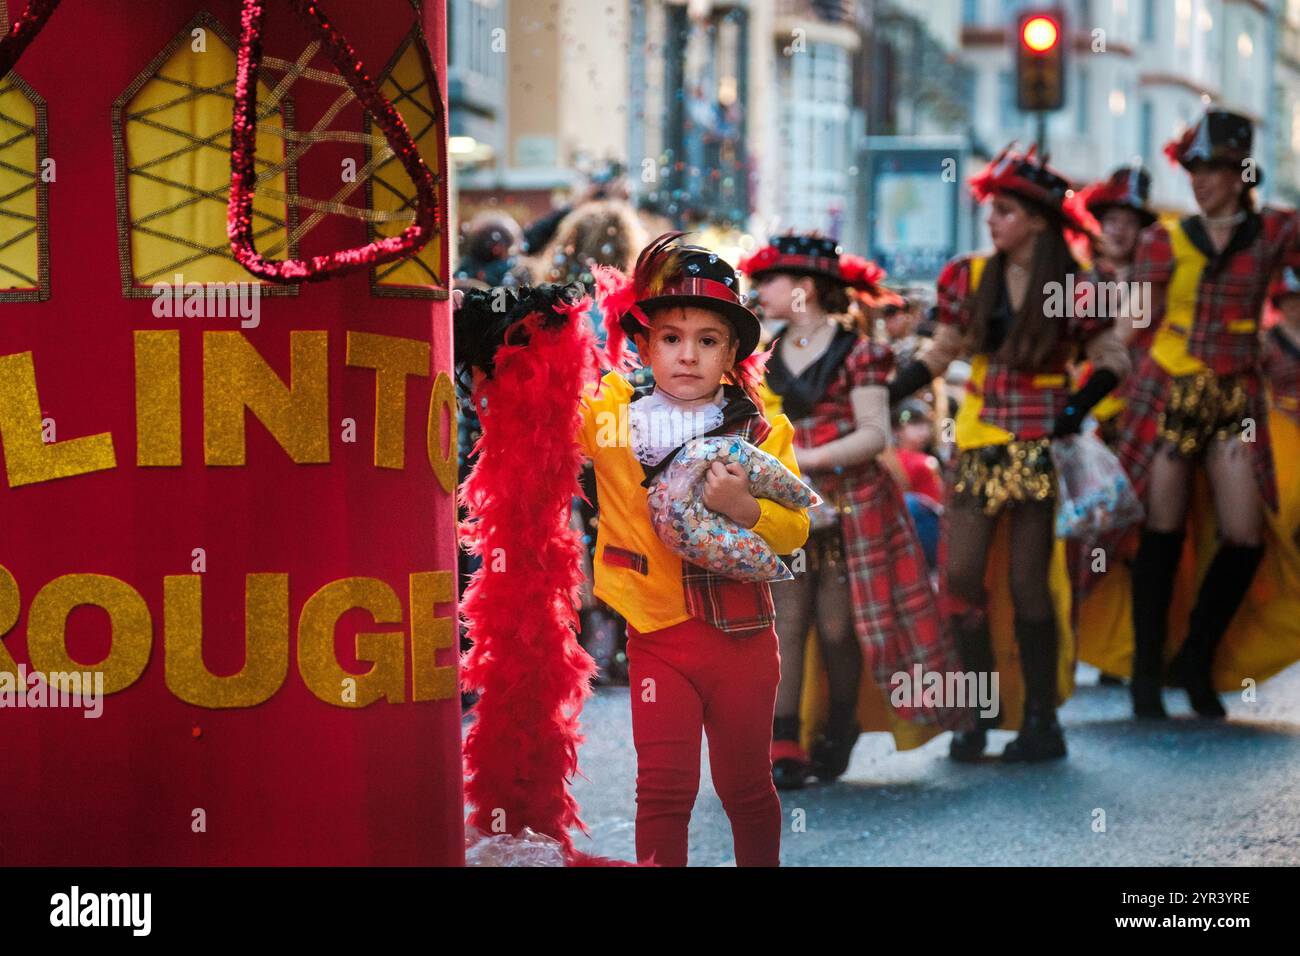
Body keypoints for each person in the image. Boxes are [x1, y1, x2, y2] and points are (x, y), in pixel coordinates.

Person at [889, 145, 1131, 762]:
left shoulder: (1081, 288)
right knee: (963, 580)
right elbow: (941, 354)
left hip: (1040, 447)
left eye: (1004, 211)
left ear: (1039, 221)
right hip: (975, 444)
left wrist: (1076, 410)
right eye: (991, 210)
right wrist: (887, 392)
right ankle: (976, 715)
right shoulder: (969, 277)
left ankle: (1041, 722)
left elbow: (1113, 360)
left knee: (1028, 586)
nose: (991, 221)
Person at [580, 232, 811, 865]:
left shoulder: (762, 427)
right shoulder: (611, 414)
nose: (688, 356)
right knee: (662, 792)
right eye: (671, 338)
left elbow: (795, 530)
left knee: (746, 789)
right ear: (646, 344)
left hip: (742, 639)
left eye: (707, 341)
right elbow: (544, 423)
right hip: (657, 636)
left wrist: (746, 507)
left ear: (733, 351)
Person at [742, 234, 965, 789]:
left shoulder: (861, 352)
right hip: (786, 506)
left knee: (843, 628)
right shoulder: (760, 354)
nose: (758, 290)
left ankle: (838, 728)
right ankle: (784, 738)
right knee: (786, 623)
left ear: (806, 289)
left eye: (769, 279)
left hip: (853, 509)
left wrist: (803, 459)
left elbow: (873, 435)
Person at [1117, 109, 1300, 720]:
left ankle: (1197, 656)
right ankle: (1147, 671)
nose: (1199, 180)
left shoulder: (1276, 232)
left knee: (1245, 535)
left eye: (1213, 169)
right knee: (1161, 532)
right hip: (1170, 390)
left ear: (1240, 174)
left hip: (1237, 396)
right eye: (1193, 168)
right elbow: (1135, 322)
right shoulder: (1162, 239)